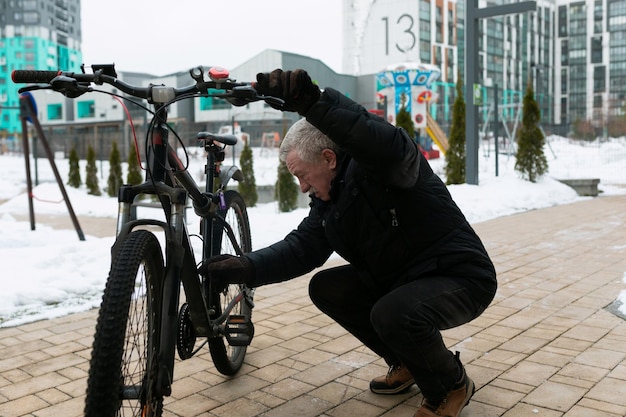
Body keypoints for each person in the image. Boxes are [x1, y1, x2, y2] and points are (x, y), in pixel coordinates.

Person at [199, 69, 497, 417]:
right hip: (407, 280)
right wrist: (247, 267)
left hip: (460, 278)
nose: (302, 187)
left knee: (393, 313)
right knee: (327, 286)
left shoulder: (386, 164)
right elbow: (302, 249)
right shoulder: (330, 202)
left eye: (301, 175)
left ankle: (450, 385)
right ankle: (409, 362)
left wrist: (315, 103)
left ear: (329, 158)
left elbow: (372, 136)